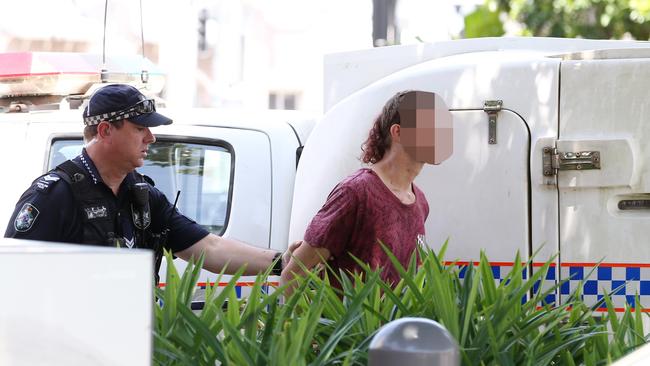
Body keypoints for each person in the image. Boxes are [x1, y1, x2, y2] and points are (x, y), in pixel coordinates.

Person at [5, 84, 292, 280]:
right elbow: (14, 277)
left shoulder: (141, 194)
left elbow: (209, 249)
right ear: (105, 130)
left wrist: (285, 262)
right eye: (141, 128)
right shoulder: (55, 195)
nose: (151, 138)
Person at [281, 90, 452, 293]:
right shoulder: (355, 192)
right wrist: (312, 325)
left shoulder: (420, 202)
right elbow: (292, 275)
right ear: (398, 132)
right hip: (350, 324)